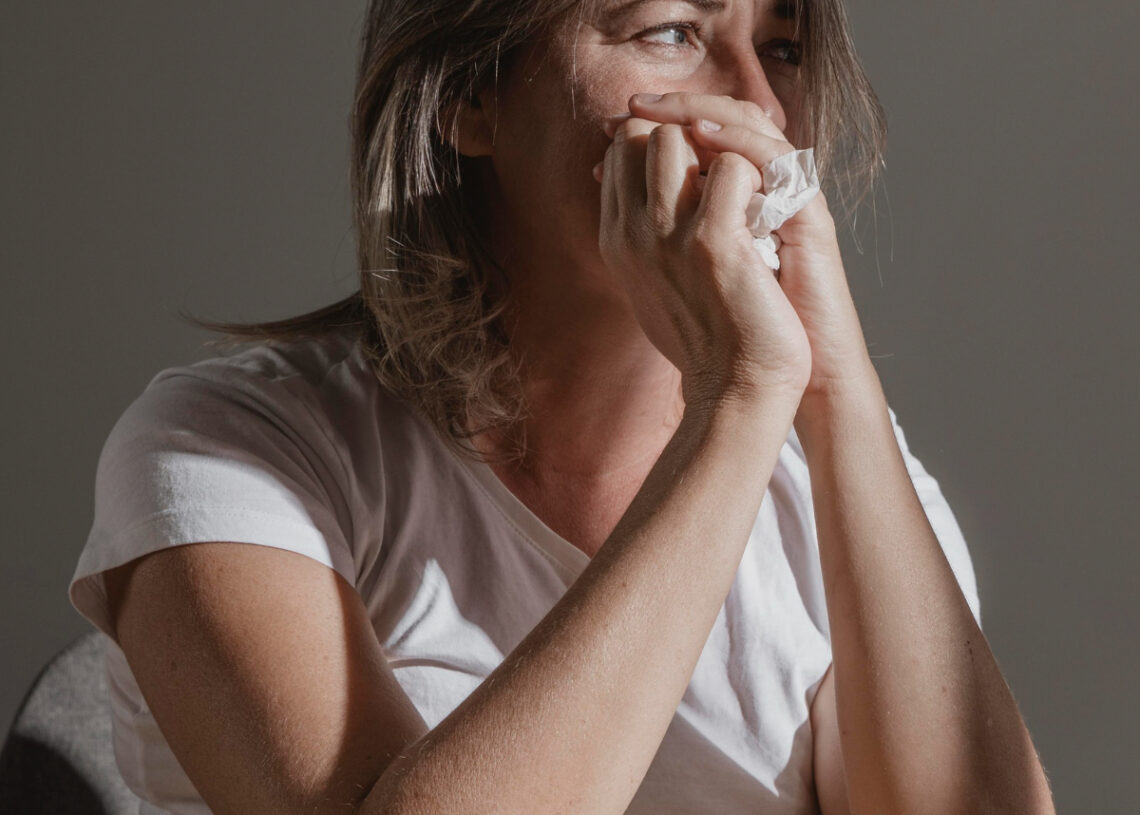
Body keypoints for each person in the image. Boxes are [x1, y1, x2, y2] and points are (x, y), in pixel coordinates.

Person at [68, 0, 1056, 812]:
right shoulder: (231, 456)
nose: (761, 109)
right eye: (670, 32)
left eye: (784, 48)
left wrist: (834, 392)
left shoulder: (845, 488)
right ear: (469, 99)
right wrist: (738, 400)